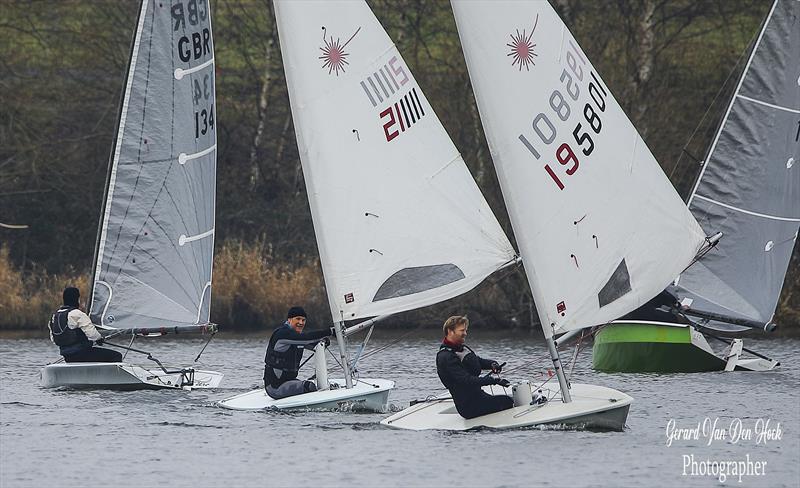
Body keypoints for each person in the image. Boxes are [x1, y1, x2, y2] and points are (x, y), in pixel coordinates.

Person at [436, 315, 513, 419]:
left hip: (479, 396)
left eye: (466, 330)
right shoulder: (445, 357)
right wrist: (493, 381)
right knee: (507, 401)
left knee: (507, 399)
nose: (465, 333)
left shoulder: (461, 349)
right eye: (462, 330)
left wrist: (492, 364)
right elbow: (466, 380)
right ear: (450, 331)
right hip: (468, 406)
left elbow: (478, 361)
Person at [264, 306, 333, 399]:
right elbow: (306, 339)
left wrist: (323, 341)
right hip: (275, 388)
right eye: (298, 319)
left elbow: (312, 344)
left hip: (290, 382)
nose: (301, 323)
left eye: (303, 320)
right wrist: (330, 332)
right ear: (289, 320)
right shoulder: (282, 334)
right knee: (309, 387)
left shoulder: (296, 337)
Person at [48, 287, 122, 363]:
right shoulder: (77, 314)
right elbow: (93, 335)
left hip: (68, 357)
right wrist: (99, 339)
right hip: (82, 354)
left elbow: (53, 339)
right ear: (77, 299)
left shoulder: (54, 316)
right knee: (116, 356)